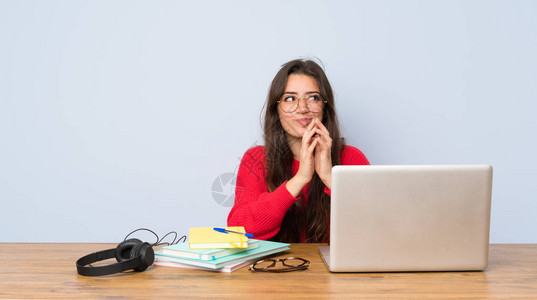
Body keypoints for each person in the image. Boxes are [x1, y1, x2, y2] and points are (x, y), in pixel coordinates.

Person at [227, 59, 369, 243]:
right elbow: (238, 230)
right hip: (274, 269)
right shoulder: (256, 159)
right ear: (276, 109)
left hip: (335, 270)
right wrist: (300, 179)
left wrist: (329, 178)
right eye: (290, 98)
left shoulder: (351, 157)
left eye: (313, 98)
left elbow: (376, 224)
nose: (302, 108)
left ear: (324, 108)